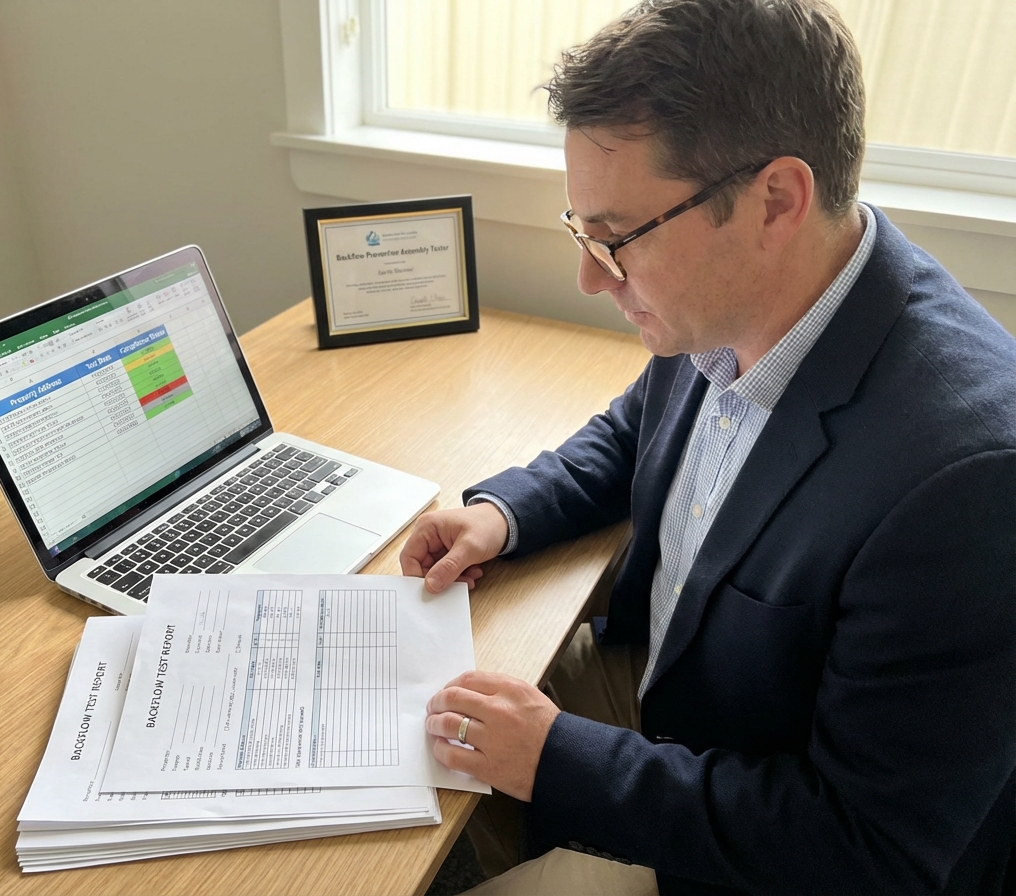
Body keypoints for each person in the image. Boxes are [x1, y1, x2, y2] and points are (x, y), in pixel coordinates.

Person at [399, 0, 1016, 893]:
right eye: (583, 231)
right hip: (676, 685)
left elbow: (865, 848)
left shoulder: (968, 483)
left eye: (616, 238)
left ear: (775, 200)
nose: (588, 275)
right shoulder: (749, 300)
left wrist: (556, 760)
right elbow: (632, 431)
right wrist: (503, 513)